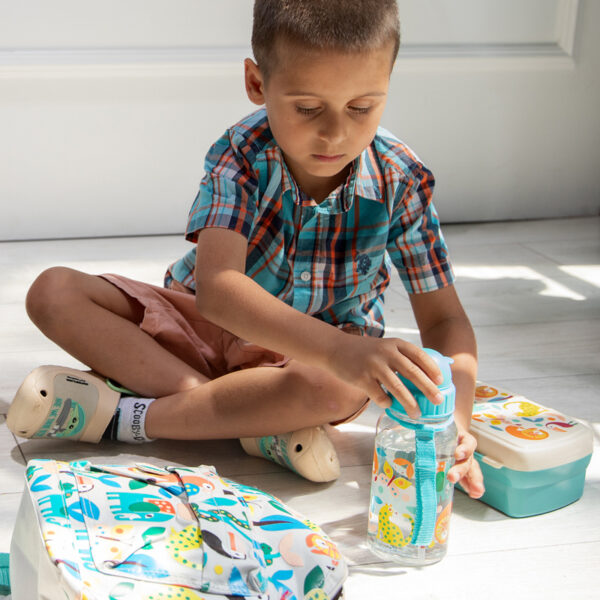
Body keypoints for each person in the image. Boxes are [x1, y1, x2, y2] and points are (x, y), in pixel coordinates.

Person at [8, 0, 483, 497]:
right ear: (258, 84)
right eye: (307, 108)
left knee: (336, 387)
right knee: (53, 292)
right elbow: (217, 291)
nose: (336, 132)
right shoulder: (241, 153)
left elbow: (445, 322)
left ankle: (124, 417)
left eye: (362, 107)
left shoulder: (400, 178)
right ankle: (258, 427)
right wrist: (344, 350)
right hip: (206, 331)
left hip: (309, 367)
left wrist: (458, 421)